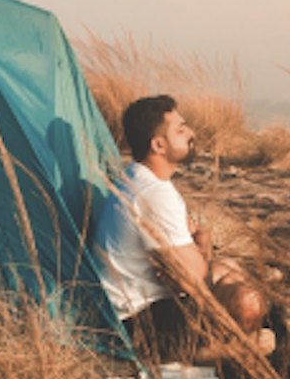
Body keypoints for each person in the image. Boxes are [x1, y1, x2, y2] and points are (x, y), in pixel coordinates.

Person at [94, 94, 274, 363]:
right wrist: (201, 241)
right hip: (141, 324)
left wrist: (195, 252)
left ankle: (221, 341)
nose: (191, 133)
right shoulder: (154, 193)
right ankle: (213, 352)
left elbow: (187, 270)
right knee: (248, 302)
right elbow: (191, 278)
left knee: (229, 268)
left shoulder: (139, 177)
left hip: (134, 306)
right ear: (158, 145)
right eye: (180, 130)